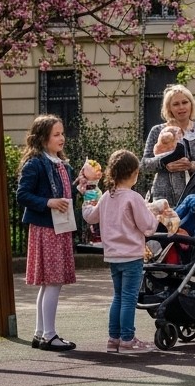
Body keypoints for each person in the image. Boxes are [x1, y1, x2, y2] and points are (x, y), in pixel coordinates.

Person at [15, 115, 82, 352]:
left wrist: (80, 186)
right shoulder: (35, 163)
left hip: (59, 227)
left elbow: (65, 191)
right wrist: (48, 202)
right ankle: (49, 335)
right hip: (47, 229)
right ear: (42, 138)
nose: (62, 138)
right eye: (56, 134)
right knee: (52, 282)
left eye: (62, 133)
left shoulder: (61, 163)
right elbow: (22, 195)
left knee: (50, 284)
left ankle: (40, 333)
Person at [81, 149, 159, 354]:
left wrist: (86, 198)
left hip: (113, 255)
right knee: (129, 297)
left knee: (118, 296)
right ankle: (127, 338)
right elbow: (148, 226)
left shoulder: (107, 196)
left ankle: (113, 338)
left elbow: (90, 216)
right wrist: (157, 215)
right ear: (134, 173)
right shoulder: (134, 198)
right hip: (132, 255)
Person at [141, 84, 195, 208]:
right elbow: (145, 164)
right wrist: (164, 162)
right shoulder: (157, 131)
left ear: (191, 104)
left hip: (194, 198)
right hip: (163, 199)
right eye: (176, 104)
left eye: (185, 102)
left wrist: (193, 166)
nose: (181, 107)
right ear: (169, 108)